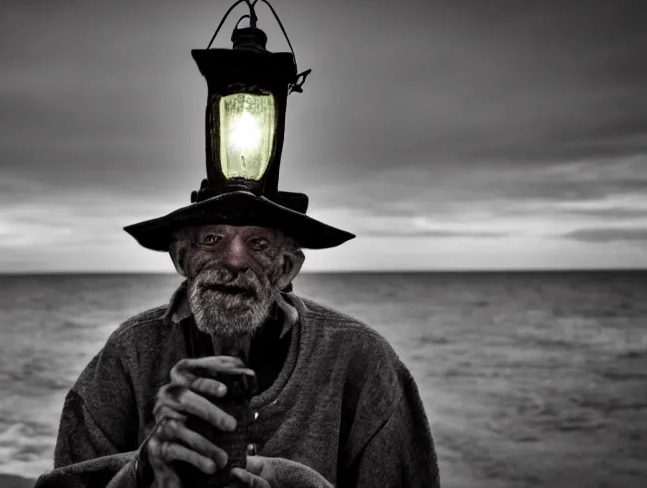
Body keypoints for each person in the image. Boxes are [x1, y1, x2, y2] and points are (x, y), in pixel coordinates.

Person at [34, 189, 440, 487]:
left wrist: (300, 483)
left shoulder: (361, 359)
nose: (233, 260)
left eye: (258, 243)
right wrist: (143, 471)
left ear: (285, 269)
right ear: (181, 259)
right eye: (212, 239)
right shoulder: (130, 351)